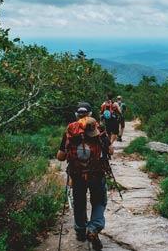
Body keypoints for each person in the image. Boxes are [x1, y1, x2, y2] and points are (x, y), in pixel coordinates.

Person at [57, 102, 113, 251]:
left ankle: (81, 231)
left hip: (77, 175)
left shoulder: (70, 129)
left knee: (79, 202)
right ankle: (94, 228)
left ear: (77, 114)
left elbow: (60, 157)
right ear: (90, 114)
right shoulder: (99, 128)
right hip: (97, 174)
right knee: (99, 201)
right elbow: (111, 151)